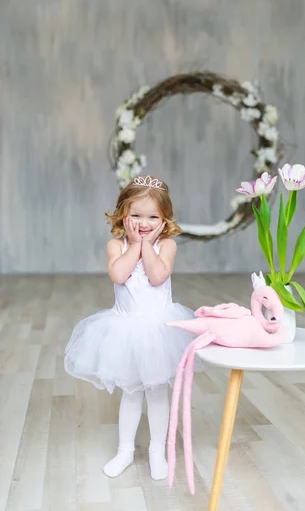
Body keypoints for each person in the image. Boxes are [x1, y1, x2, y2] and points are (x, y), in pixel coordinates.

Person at [64, 175, 196, 480]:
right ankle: (125, 450)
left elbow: (157, 277)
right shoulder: (116, 245)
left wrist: (147, 244)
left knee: (157, 392)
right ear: (123, 214)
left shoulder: (167, 245)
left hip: (159, 331)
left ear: (164, 219)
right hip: (124, 331)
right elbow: (119, 276)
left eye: (153, 217)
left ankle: (156, 451)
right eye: (136, 215)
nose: (144, 222)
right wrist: (134, 244)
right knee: (131, 392)